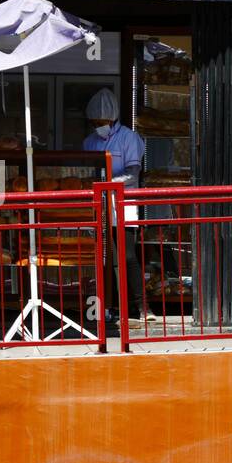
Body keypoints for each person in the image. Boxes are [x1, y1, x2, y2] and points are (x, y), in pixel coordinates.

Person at [81, 88, 156, 322]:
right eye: (94, 122)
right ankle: (106, 306)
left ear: (112, 119)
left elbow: (134, 173)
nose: (98, 125)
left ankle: (142, 308)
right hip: (98, 204)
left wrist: (109, 184)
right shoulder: (89, 141)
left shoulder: (128, 137)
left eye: (102, 121)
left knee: (128, 256)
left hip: (124, 202)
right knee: (99, 257)